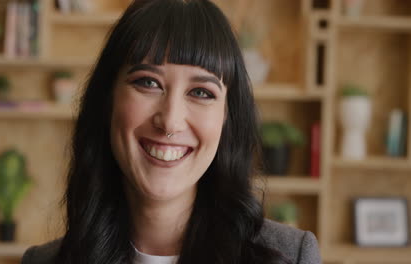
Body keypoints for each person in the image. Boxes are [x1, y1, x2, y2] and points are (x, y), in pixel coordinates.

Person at [21, 0, 321, 263]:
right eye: (148, 82)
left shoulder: (291, 256)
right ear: (107, 99)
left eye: (201, 92)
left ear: (228, 118)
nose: (171, 121)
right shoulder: (43, 261)